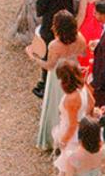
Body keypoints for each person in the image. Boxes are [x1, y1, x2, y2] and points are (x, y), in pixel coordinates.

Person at [35, 15, 89, 152]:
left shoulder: (54, 45)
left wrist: (34, 58)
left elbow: (49, 65)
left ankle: (53, 139)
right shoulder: (81, 38)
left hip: (58, 76)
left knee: (54, 104)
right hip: (73, 69)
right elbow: (83, 54)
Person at [32, 0, 77, 94]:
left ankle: (46, 84)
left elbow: (42, 3)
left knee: (48, 52)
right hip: (67, 16)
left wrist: (39, 11)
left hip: (52, 21)